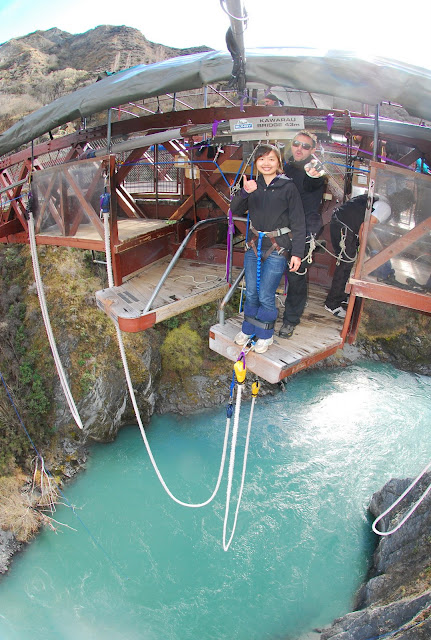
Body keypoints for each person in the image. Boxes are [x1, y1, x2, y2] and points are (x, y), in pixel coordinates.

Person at [230, 144, 306, 353]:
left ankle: (265, 335)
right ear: (256, 162)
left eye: (271, 159)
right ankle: (248, 329)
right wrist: (244, 192)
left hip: (277, 247)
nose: (266, 163)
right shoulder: (252, 186)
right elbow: (234, 209)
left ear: (278, 163)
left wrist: (297, 254)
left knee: (265, 294)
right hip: (254, 245)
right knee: (251, 292)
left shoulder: (288, 187)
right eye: (262, 159)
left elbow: (299, 222)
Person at [279, 130, 327, 338]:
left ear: (312, 150)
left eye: (305, 146)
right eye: (297, 144)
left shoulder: (313, 168)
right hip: (283, 225)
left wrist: (315, 174)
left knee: (296, 275)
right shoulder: (287, 166)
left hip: (304, 228)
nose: (300, 148)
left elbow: (313, 180)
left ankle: (290, 320)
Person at [324, 193, 400, 317]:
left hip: (340, 221)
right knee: (345, 264)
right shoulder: (386, 208)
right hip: (345, 226)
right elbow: (365, 227)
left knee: (346, 263)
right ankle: (332, 304)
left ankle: (341, 295)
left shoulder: (380, 198)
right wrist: (361, 250)